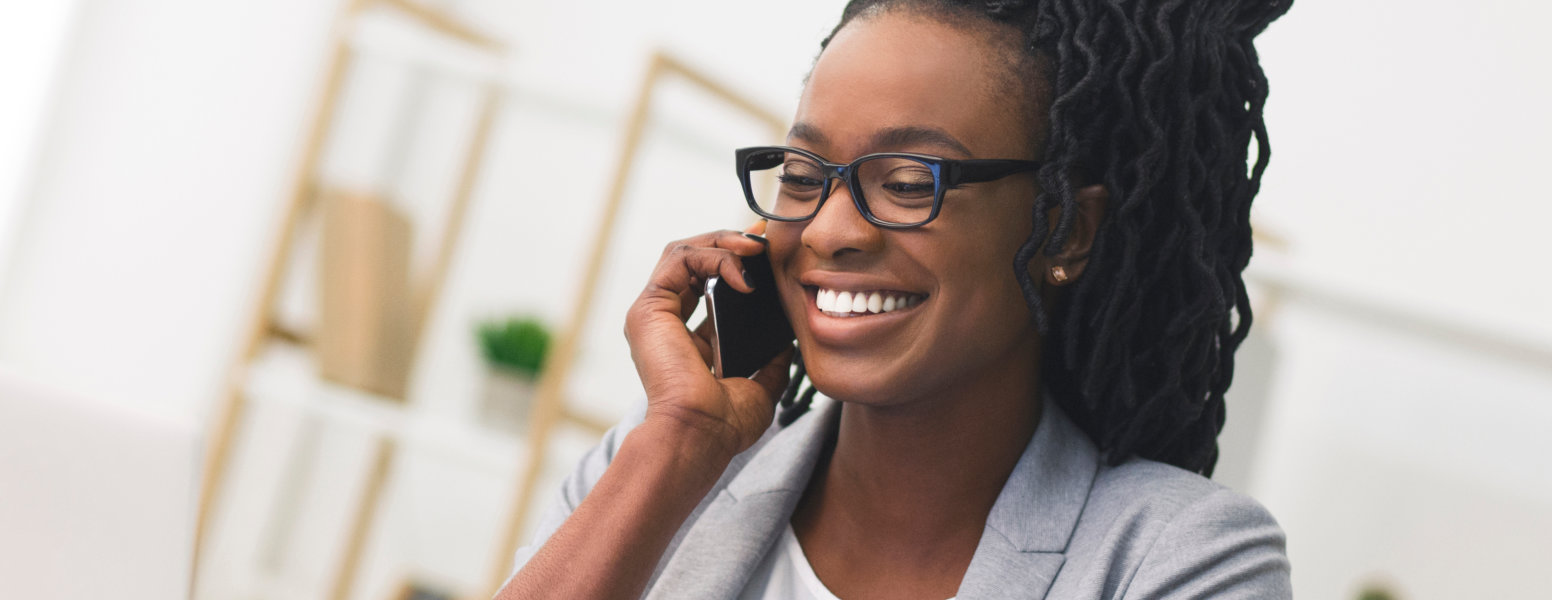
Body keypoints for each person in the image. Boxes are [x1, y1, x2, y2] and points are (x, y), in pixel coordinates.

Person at [498, 0, 1293, 598]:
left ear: (1064, 231)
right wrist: (675, 443)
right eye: (804, 176)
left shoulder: (1178, 558)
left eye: (911, 183)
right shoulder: (651, 470)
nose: (828, 229)